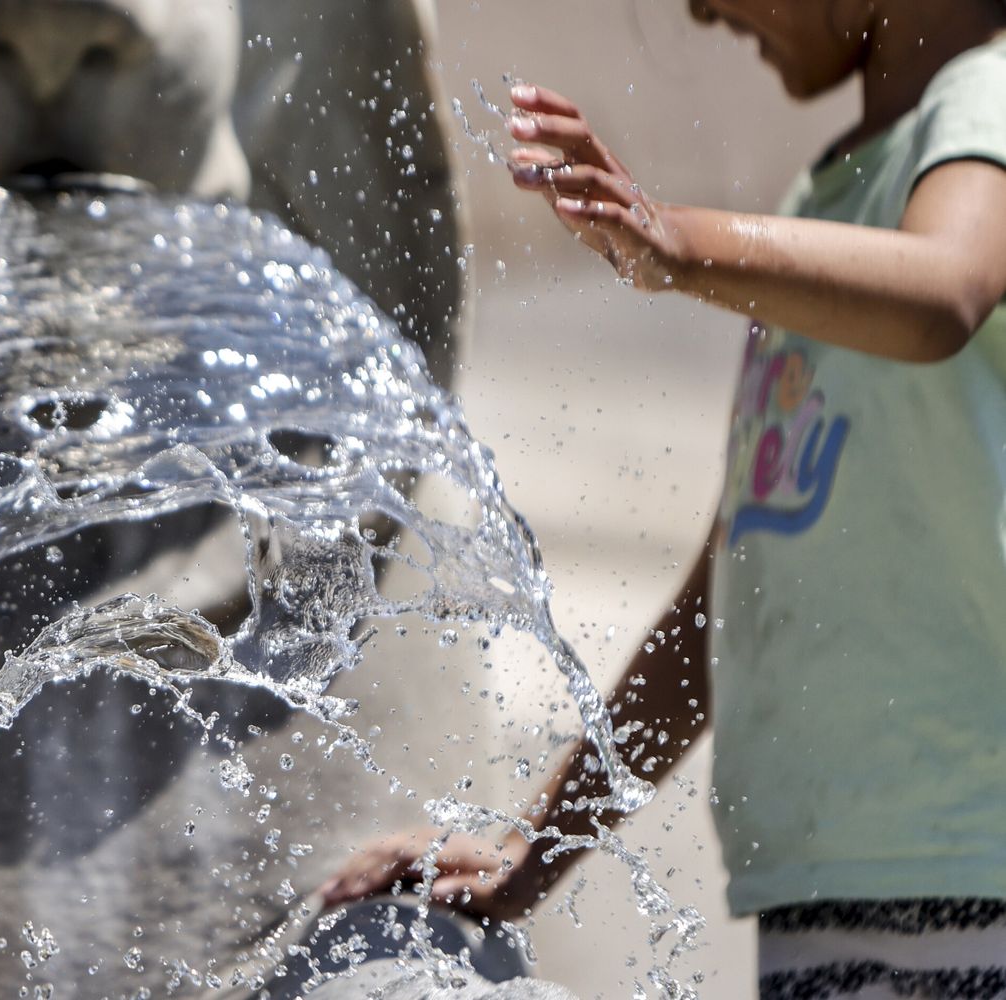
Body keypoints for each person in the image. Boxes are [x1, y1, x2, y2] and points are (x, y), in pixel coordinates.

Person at [322, 0, 1006, 994]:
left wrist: (675, 244)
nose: (699, 7)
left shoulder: (989, 101)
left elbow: (948, 289)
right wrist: (533, 847)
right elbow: (729, 600)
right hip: (824, 890)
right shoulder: (823, 203)